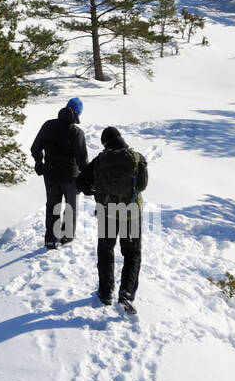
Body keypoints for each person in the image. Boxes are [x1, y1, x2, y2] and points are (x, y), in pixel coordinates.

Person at [77, 126, 149, 313]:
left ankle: (105, 292)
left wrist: (92, 189)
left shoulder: (100, 160)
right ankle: (126, 292)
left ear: (105, 143)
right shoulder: (137, 158)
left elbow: (80, 182)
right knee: (132, 254)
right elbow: (142, 185)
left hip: (107, 213)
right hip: (131, 213)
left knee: (106, 251)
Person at [30, 98, 87, 249]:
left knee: (53, 205)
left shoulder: (48, 125)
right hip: (71, 176)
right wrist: (86, 177)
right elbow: (82, 159)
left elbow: (35, 148)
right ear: (78, 114)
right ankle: (66, 237)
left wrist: (39, 162)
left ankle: (51, 239)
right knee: (70, 206)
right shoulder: (76, 132)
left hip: (51, 174)